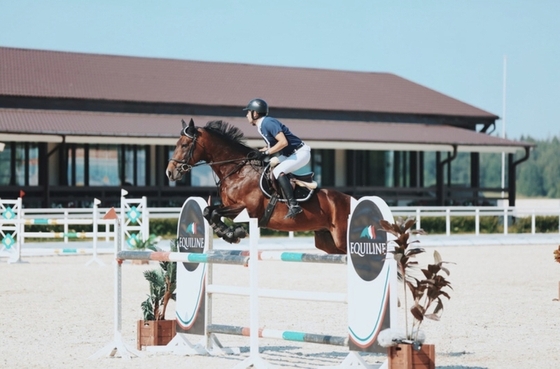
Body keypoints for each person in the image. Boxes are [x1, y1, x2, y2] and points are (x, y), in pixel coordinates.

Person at [244, 98, 311, 219]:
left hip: (300, 152)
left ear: (255, 113)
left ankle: (293, 205)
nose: (246, 115)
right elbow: (272, 145)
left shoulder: (267, 123)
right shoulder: (262, 125)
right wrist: (259, 152)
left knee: (278, 172)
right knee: (269, 167)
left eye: (248, 112)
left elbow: (283, 142)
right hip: (289, 154)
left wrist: (267, 152)